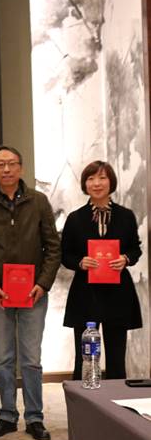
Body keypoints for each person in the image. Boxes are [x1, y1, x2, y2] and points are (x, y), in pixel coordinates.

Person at [0, 146, 60, 440]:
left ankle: (35, 417)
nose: (6, 169)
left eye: (11, 164)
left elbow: (53, 247)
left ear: (21, 168)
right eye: (0, 165)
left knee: (31, 359)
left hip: (34, 294)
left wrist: (43, 284)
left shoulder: (39, 202)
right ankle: (7, 415)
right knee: (3, 358)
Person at [61, 161, 142, 380]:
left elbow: (135, 249)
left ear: (111, 182)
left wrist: (125, 258)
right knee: (85, 357)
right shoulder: (75, 218)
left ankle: (116, 400)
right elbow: (65, 254)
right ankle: (83, 398)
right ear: (85, 184)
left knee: (116, 357)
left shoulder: (126, 216)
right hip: (85, 293)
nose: (97, 183)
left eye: (102, 178)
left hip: (118, 293)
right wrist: (80, 262)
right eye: (91, 178)